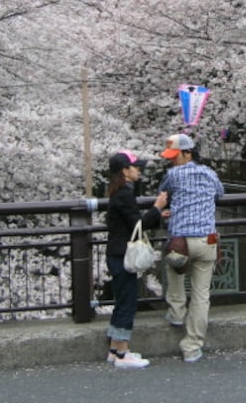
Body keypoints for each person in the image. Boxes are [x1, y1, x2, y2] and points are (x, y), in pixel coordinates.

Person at [158, 133, 224, 363]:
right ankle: (193, 346)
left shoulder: (172, 175)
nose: (171, 160)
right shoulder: (210, 173)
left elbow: (163, 195)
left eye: (174, 156)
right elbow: (220, 194)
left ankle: (176, 312)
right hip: (208, 240)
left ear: (187, 153)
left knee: (173, 270)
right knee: (201, 295)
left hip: (181, 241)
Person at [105, 150, 169, 368]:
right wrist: (157, 208)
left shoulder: (119, 192)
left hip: (116, 253)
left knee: (122, 301)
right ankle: (122, 354)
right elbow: (138, 225)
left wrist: (156, 214)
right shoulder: (124, 194)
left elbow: (133, 220)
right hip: (122, 254)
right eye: (135, 167)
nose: (138, 170)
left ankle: (115, 350)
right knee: (127, 303)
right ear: (125, 170)